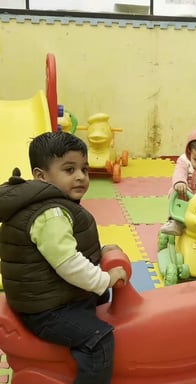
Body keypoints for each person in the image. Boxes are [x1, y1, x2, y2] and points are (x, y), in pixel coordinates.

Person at [0, 131, 127, 384]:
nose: (80, 176)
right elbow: (67, 263)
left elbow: (64, 248)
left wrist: (100, 253)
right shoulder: (51, 213)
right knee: (99, 339)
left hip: (49, 296)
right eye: (69, 170)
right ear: (41, 176)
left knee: (101, 297)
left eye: (84, 169)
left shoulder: (50, 204)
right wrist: (105, 278)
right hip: (46, 310)